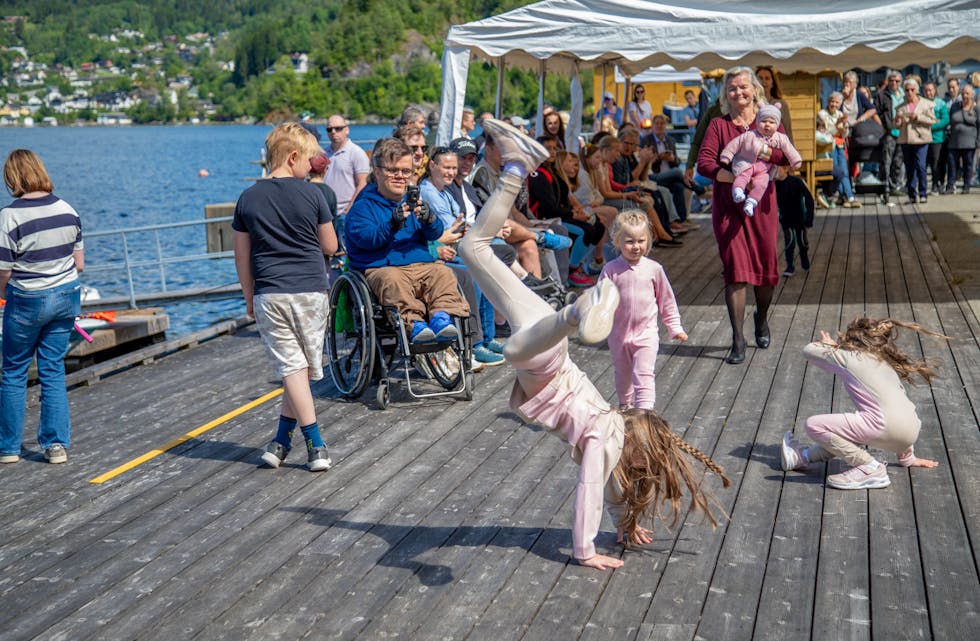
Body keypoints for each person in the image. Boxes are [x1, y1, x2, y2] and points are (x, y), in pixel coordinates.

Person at [458, 118, 729, 570]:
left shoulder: (616, 426)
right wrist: (585, 551)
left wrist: (625, 524)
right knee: (514, 349)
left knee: (473, 248)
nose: (640, 472)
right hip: (542, 361)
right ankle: (577, 312)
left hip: (550, 351)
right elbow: (590, 489)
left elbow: (615, 487)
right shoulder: (606, 439)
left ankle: (516, 167)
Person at [233, 123, 339, 472]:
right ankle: (316, 444)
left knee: (295, 370)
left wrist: (249, 297)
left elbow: (241, 257)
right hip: (311, 291)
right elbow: (330, 246)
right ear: (293, 157)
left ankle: (280, 441)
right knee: (298, 370)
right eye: (309, 160)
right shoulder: (314, 195)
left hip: (270, 292)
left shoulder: (248, 198)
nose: (311, 166)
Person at [697, 66, 793, 365]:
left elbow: (785, 155)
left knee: (766, 270)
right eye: (732, 88)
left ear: (754, 90)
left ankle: (761, 319)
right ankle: (738, 339)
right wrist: (733, 177)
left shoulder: (769, 120)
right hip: (729, 205)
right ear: (726, 94)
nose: (738, 92)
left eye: (743, 87)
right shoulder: (718, 125)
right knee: (735, 271)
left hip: (762, 205)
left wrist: (763, 156)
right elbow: (704, 163)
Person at [781, 316, 944, 490]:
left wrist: (829, 346)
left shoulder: (850, 358)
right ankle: (802, 456)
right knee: (846, 433)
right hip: (910, 431)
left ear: (852, 341)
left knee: (814, 425)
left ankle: (870, 467)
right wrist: (908, 459)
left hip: (884, 426)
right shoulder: (883, 363)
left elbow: (808, 350)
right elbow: (898, 410)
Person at [0, 149, 84, 465]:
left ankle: (9, 448)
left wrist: (4, 292)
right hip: (66, 295)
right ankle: (56, 446)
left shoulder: (9, 217)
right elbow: (79, 264)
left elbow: (3, 270)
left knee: (14, 371)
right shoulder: (68, 209)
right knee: (52, 368)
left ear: (13, 178)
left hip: (26, 300)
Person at [345, 137, 469, 345]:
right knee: (393, 280)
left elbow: (435, 234)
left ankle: (441, 318)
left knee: (443, 273)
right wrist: (392, 224)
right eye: (393, 170)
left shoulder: (413, 202)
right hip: (382, 266)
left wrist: (429, 220)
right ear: (377, 172)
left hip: (421, 263)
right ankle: (414, 324)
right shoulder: (363, 207)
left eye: (406, 171)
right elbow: (366, 239)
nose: (400, 176)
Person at [600, 210, 687, 411]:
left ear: (649, 240)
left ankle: (645, 414)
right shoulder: (610, 270)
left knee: (644, 374)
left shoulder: (654, 269)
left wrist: (675, 327)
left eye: (641, 241)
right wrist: (596, 321)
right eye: (629, 241)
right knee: (623, 375)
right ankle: (626, 408)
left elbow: (666, 301)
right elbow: (600, 301)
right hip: (618, 335)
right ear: (617, 241)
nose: (636, 246)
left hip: (646, 334)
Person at [719, 103, 802, 217]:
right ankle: (737, 191)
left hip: (763, 171)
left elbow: (789, 149)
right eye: (763, 121)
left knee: (762, 184)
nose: (767, 125)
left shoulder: (781, 138)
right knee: (742, 176)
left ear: (777, 124)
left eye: (771, 122)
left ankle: (751, 202)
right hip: (747, 164)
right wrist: (726, 156)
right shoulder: (750, 135)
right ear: (757, 122)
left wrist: (796, 160)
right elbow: (734, 144)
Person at [894, 78, 937, 204]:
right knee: (909, 168)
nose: (909, 92)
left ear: (917, 90)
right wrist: (898, 121)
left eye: (912, 90)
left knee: (921, 166)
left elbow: (932, 120)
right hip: (906, 140)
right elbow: (897, 125)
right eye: (907, 90)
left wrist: (918, 117)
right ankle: (912, 194)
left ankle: (923, 193)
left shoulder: (926, 104)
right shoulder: (900, 107)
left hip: (921, 139)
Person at [815, 91, 861, 208]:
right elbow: (824, 133)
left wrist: (844, 127)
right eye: (832, 102)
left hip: (840, 145)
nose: (834, 104)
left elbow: (844, 134)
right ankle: (844, 196)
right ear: (828, 102)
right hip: (828, 147)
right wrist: (837, 124)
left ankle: (848, 197)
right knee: (838, 171)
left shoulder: (840, 114)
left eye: (837, 102)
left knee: (844, 171)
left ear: (840, 104)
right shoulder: (822, 114)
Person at [324, 114, 371, 214]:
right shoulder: (324, 153)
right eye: (329, 129)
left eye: (338, 128)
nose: (333, 132)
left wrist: (350, 207)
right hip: (325, 211)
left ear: (347, 130)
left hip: (345, 212)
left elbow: (362, 183)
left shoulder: (356, 153)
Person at [774, 168, 814, 277]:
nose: (775, 171)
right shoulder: (774, 184)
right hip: (786, 218)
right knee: (790, 240)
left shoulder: (797, 182)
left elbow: (809, 199)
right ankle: (790, 266)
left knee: (802, 242)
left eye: (777, 168)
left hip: (799, 217)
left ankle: (804, 257)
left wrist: (809, 218)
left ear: (786, 168)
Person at [873, 70, 906, 198]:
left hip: (903, 133)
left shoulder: (905, 94)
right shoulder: (882, 95)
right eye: (891, 80)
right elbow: (874, 112)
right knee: (887, 160)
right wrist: (882, 126)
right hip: (889, 132)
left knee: (898, 161)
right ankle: (886, 185)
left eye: (897, 81)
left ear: (901, 82)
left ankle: (895, 186)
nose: (894, 83)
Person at [947, 84, 980, 194]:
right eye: (963, 93)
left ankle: (966, 185)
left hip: (970, 143)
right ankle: (950, 185)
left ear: (971, 95)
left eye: (967, 94)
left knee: (968, 165)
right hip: (954, 141)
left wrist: (978, 141)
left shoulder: (976, 109)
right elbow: (950, 121)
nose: (965, 96)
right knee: (952, 164)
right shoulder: (955, 107)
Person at [922, 82, 949, 195]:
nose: (928, 93)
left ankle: (936, 184)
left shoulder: (941, 103)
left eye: (930, 90)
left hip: (937, 139)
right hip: (923, 138)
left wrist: (931, 126)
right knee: (923, 164)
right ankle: (923, 186)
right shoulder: (921, 103)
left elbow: (945, 120)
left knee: (936, 163)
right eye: (926, 90)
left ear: (935, 91)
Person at [755, 65, 793, 142]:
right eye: (760, 78)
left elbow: (787, 132)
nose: (763, 81)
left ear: (772, 83)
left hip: (777, 145)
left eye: (767, 78)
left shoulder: (781, 104)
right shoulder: (750, 105)